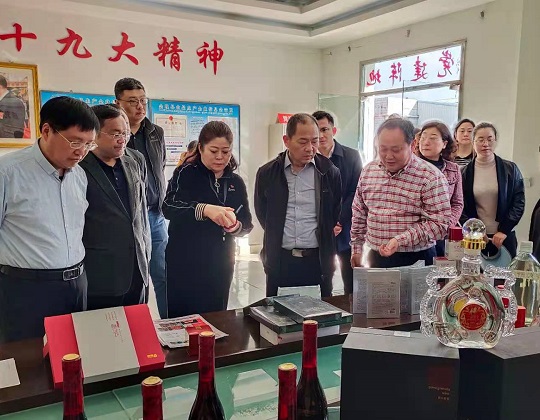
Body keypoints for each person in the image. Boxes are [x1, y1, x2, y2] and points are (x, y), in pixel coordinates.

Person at [0, 96, 99, 343]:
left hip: (77, 284)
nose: (81, 151)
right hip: (25, 289)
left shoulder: (79, 175)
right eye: (75, 141)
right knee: (28, 360)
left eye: (89, 144)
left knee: (75, 355)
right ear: (47, 131)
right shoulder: (8, 172)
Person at [163, 121, 253, 317]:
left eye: (226, 151)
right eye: (213, 151)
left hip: (220, 261)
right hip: (185, 260)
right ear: (201, 148)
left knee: (216, 318)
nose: (220, 157)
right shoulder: (185, 173)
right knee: (183, 318)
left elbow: (247, 223)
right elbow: (168, 207)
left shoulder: (235, 182)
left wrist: (235, 226)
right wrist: (204, 209)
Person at [254, 113, 342, 297]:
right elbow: (263, 213)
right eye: (302, 142)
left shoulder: (329, 172)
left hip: (317, 261)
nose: (310, 148)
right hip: (280, 260)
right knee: (278, 311)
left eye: (315, 141)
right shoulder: (267, 173)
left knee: (319, 310)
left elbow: (334, 212)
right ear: (286, 140)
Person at [351, 118, 451, 269]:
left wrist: (400, 240)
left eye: (396, 150)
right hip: (376, 257)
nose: (388, 156)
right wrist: (357, 248)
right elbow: (359, 212)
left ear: (412, 145)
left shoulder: (430, 176)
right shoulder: (369, 171)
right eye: (383, 149)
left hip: (416, 259)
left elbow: (439, 224)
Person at [80, 105, 151, 310]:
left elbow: (141, 213)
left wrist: (146, 251)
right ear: (94, 133)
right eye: (115, 134)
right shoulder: (79, 168)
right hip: (100, 274)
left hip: (138, 268)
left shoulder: (134, 161)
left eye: (125, 133)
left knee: (136, 325)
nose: (122, 140)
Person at [115, 77, 168, 319]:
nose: (140, 106)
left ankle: (170, 322)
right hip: (129, 218)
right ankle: (134, 327)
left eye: (143, 101)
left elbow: (160, 167)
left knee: (163, 273)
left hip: (156, 215)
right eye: (132, 101)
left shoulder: (156, 132)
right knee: (134, 277)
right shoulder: (113, 134)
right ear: (118, 103)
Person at [312, 111, 362, 295]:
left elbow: (356, 192)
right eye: (316, 131)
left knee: (350, 279)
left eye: (325, 129)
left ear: (333, 130)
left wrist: (338, 220)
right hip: (318, 228)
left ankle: (351, 309)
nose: (321, 135)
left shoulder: (351, 156)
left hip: (345, 226)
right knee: (323, 278)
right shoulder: (308, 158)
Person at [460, 122, 525, 258]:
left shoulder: (510, 169)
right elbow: (460, 205)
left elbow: (518, 202)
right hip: (476, 237)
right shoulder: (464, 172)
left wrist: (504, 230)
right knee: (475, 270)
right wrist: (475, 231)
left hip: (504, 236)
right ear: (473, 142)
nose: (486, 144)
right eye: (480, 140)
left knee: (505, 270)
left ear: (495, 141)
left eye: (490, 139)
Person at [417, 121, 463, 256]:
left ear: (444, 143)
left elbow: (457, 203)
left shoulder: (453, 169)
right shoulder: (412, 168)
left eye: (433, 138)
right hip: (418, 234)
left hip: (444, 233)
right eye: (423, 137)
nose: (426, 142)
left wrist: (447, 225)